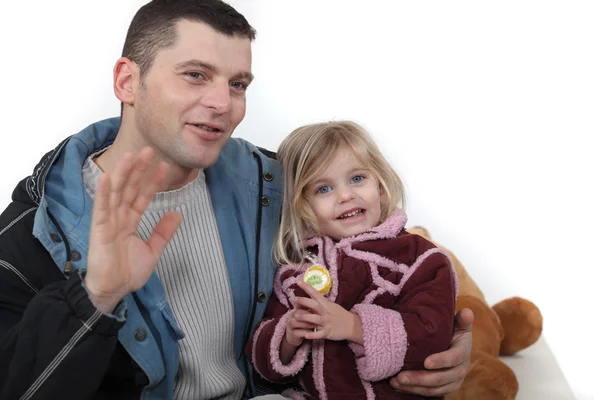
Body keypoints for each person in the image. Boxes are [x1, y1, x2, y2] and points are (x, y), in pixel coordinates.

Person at [0, 1, 472, 399]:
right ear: (127, 81)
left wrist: (450, 344)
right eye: (195, 75)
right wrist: (95, 298)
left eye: (238, 84)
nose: (223, 104)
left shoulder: (279, 187)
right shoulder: (28, 236)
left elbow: (393, 251)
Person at [245, 121, 458, 399]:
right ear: (301, 207)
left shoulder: (420, 259)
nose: (346, 196)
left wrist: (353, 327)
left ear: (380, 187)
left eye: (357, 178)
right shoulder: (295, 269)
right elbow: (264, 363)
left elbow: (433, 338)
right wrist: (287, 336)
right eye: (323, 189)